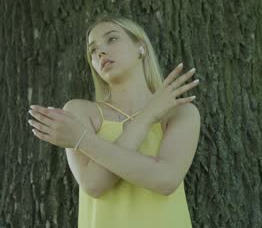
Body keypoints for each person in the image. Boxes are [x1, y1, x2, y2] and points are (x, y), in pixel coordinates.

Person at [28, 15, 201, 228]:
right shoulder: (80, 111)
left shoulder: (181, 113)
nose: (100, 51)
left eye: (111, 39)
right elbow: (94, 184)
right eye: (93, 50)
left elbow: (165, 180)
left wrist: (82, 139)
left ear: (141, 47)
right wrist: (147, 117)